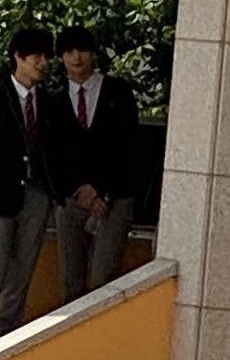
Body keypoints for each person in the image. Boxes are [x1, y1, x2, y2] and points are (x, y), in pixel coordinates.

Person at [0, 28, 60, 350]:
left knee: (21, 278)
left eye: (46, 57)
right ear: (19, 57)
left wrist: (53, 192)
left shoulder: (48, 101)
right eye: (37, 57)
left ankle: (3, 345)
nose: (43, 63)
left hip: (36, 196)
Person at [53, 26, 138, 304]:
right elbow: (51, 154)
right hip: (71, 199)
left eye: (82, 50)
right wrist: (79, 190)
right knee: (71, 280)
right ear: (61, 57)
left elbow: (128, 145)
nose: (76, 57)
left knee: (103, 280)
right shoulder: (54, 99)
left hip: (114, 198)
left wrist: (102, 191)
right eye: (69, 52)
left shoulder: (118, 92)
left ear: (92, 53)